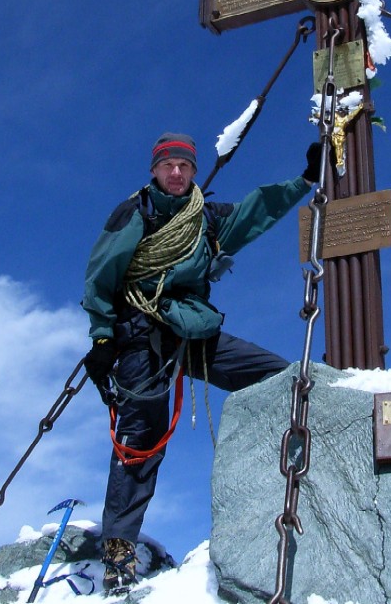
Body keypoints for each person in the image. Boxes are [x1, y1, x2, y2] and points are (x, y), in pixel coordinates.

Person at [81, 132, 320, 592]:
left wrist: (305, 179)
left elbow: (256, 211)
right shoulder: (136, 214)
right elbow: (101, 274)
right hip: (141, 333)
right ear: (154, 170)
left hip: (190, 329)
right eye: (168, 165)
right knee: (141, 437)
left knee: (274, 374)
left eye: (184, 167)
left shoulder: (206, 219)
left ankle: (288, 481)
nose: (176, 173)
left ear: (192, 172)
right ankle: (119, 549)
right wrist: (102, 338)